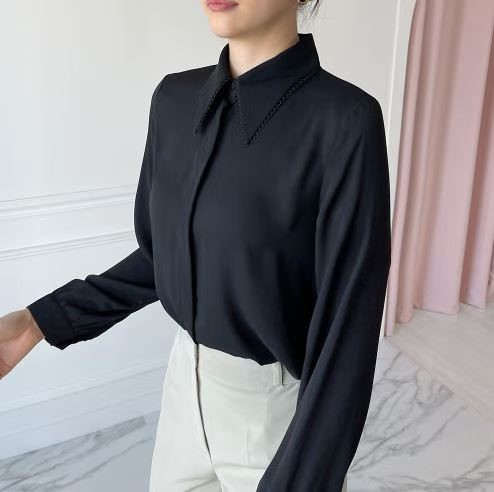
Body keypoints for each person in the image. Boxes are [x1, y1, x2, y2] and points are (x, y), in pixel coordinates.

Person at [0, 0, 392, 490]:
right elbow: (162, 257)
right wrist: (38, 321)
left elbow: (347, 333)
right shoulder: (173, 99)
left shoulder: (345, 120)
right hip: (183, 388)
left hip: (274, 416)